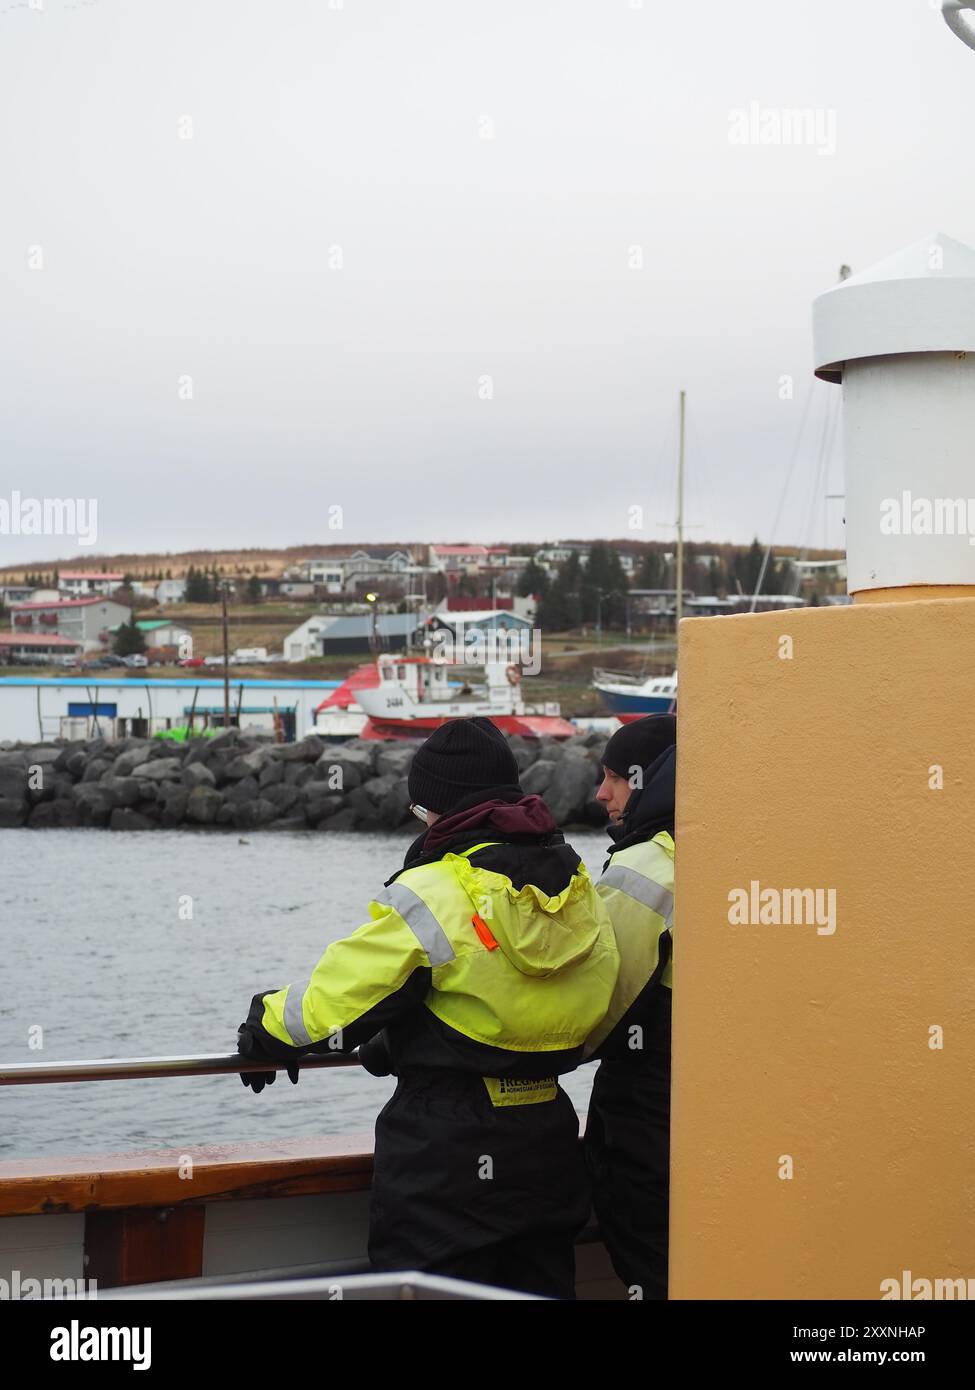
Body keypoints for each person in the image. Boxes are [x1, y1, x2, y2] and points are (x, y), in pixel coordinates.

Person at [237, 716, 619, 1299]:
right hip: (548, 1135)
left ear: (440, 808)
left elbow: (336, 1001)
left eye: (423, 812)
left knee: (427, 1289)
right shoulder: (576, 883)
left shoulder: (437, 889)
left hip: (447, 1149)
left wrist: (265, 1025)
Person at [583, 714, 677, 1300]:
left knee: (652, 1263)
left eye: (616, 777)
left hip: (645, 1112)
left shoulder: (644, 869)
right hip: (717, 1107)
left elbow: (596, 1004)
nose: (601, 793)